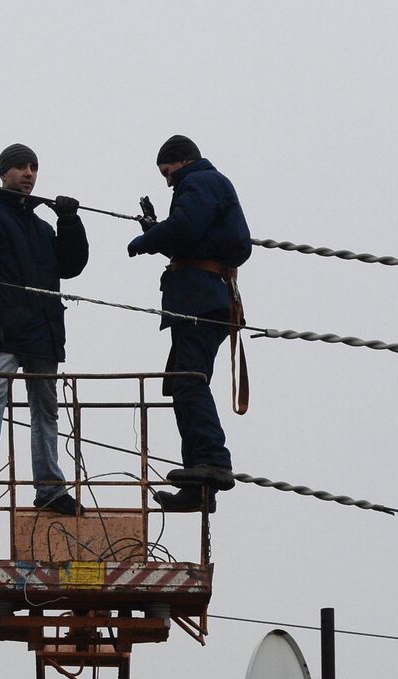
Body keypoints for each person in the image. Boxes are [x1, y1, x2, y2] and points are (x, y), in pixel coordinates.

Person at [0, 143, 88, 514]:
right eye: (21, 167)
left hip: (42, 332)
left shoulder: (43, 228)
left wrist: (70, 221)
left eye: (33, 167)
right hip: (5, 328)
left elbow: (71, 265)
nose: (29, 173)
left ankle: (50, 488)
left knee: (45, 409)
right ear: (3, 173)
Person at [127, 135, 250, 510]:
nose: (167, 182)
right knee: (184, 385)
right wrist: (157, 230)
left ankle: (213, 462)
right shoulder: (207, 185)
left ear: (181, 162)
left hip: (199, 300)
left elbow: (185, 228)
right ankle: (198, 487)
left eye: (167, 172)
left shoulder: (199, 181)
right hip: (204, 299)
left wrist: (145, 240)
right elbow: (190, 238)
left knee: (191, 383)